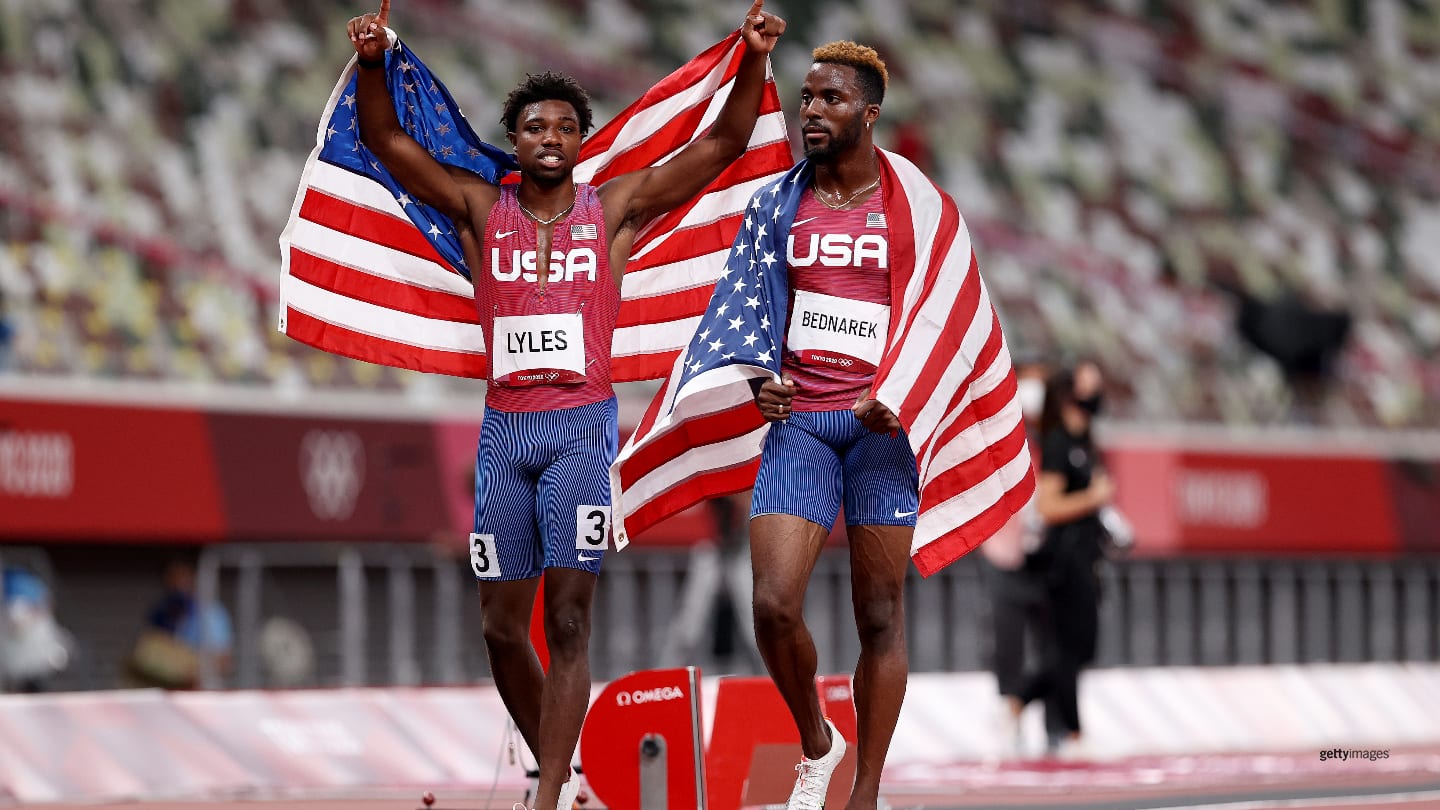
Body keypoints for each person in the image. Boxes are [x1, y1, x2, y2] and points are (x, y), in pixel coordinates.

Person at [346, 3, 786, 809]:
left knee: (570, 623)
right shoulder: (480, 207)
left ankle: (548, 794)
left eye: (564, 127)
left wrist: (752, 58)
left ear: (582, 140)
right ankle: (566, 769)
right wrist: (373, 64)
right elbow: (385, 141)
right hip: (504, 433)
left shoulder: (612, 208)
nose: (549, 137)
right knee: (499, 628)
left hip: (581, 431)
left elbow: (722, 145)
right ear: (514, 141)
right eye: (534, 127)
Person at [746, 41, 924, 810]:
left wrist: (902, 393)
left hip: (882, 432)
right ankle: (819, 741)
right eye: (807, 97)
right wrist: (760, 378)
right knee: (772, 604)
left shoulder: (915, 208)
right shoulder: (777, 204)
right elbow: (747, 308)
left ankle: (866, 791)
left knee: (879, 615)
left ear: (869, 114)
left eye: (831, 99)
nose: (812, 111)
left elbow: (942, 317)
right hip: (805, 425)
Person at [1011, 360, 1114, 757]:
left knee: (1083, 647)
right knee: (1069, 648)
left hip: (1087, 555)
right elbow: (1049, 507)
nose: (1097, 394)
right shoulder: (1058, 443)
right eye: (1090, 386)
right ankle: (1072, 732)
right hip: (1065, 560)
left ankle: (1021, 699)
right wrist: (1093, 497)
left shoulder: (1085, 441)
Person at [980, 357, 1049, 755]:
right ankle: (1009, 711)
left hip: (1044, 556)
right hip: (1004, 550)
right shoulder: (997, 431)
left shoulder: (1051, 437)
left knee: (1054, 644)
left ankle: (1041, 715)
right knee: (1007, 640)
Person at [125, 558, 233, 690]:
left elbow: (223, 661)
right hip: (165, 689)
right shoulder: (163, 612)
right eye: (173, 579)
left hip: (199, 690)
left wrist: (190, 673)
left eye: (182, 578)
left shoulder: (209, 612)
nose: (178, 585)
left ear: (193, 579)